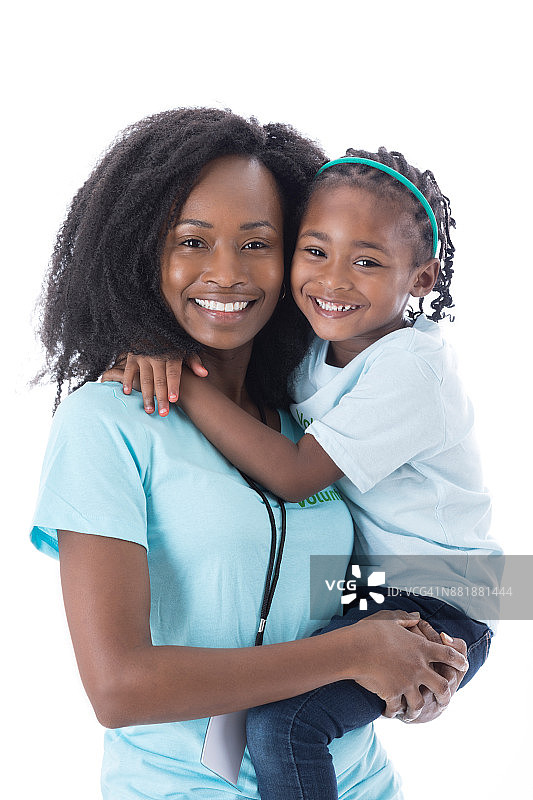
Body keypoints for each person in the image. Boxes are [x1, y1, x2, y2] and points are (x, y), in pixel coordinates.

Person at [107, 147, 501, 800]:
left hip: (445, 598)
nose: (333, 280)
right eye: (314, 252)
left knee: (286, 727)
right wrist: (155, 338)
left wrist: (183, 382)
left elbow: (294, 476)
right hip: (370, 588)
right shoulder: (315, 350)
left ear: (423, 279)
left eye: (367, 261)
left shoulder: (411, 368)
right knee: (276, 678)